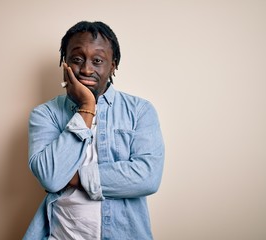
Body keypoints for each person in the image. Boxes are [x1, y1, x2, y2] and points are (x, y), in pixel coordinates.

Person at [23, 21, 165, 240]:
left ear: (113, 65)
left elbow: (147, 177)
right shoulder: (45, 115)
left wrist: (77, 177)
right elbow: (51, 177)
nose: (87, 69)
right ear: (65, 63)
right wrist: (87, 107)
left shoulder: (140, 111)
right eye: (77, 59)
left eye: (97, 61)